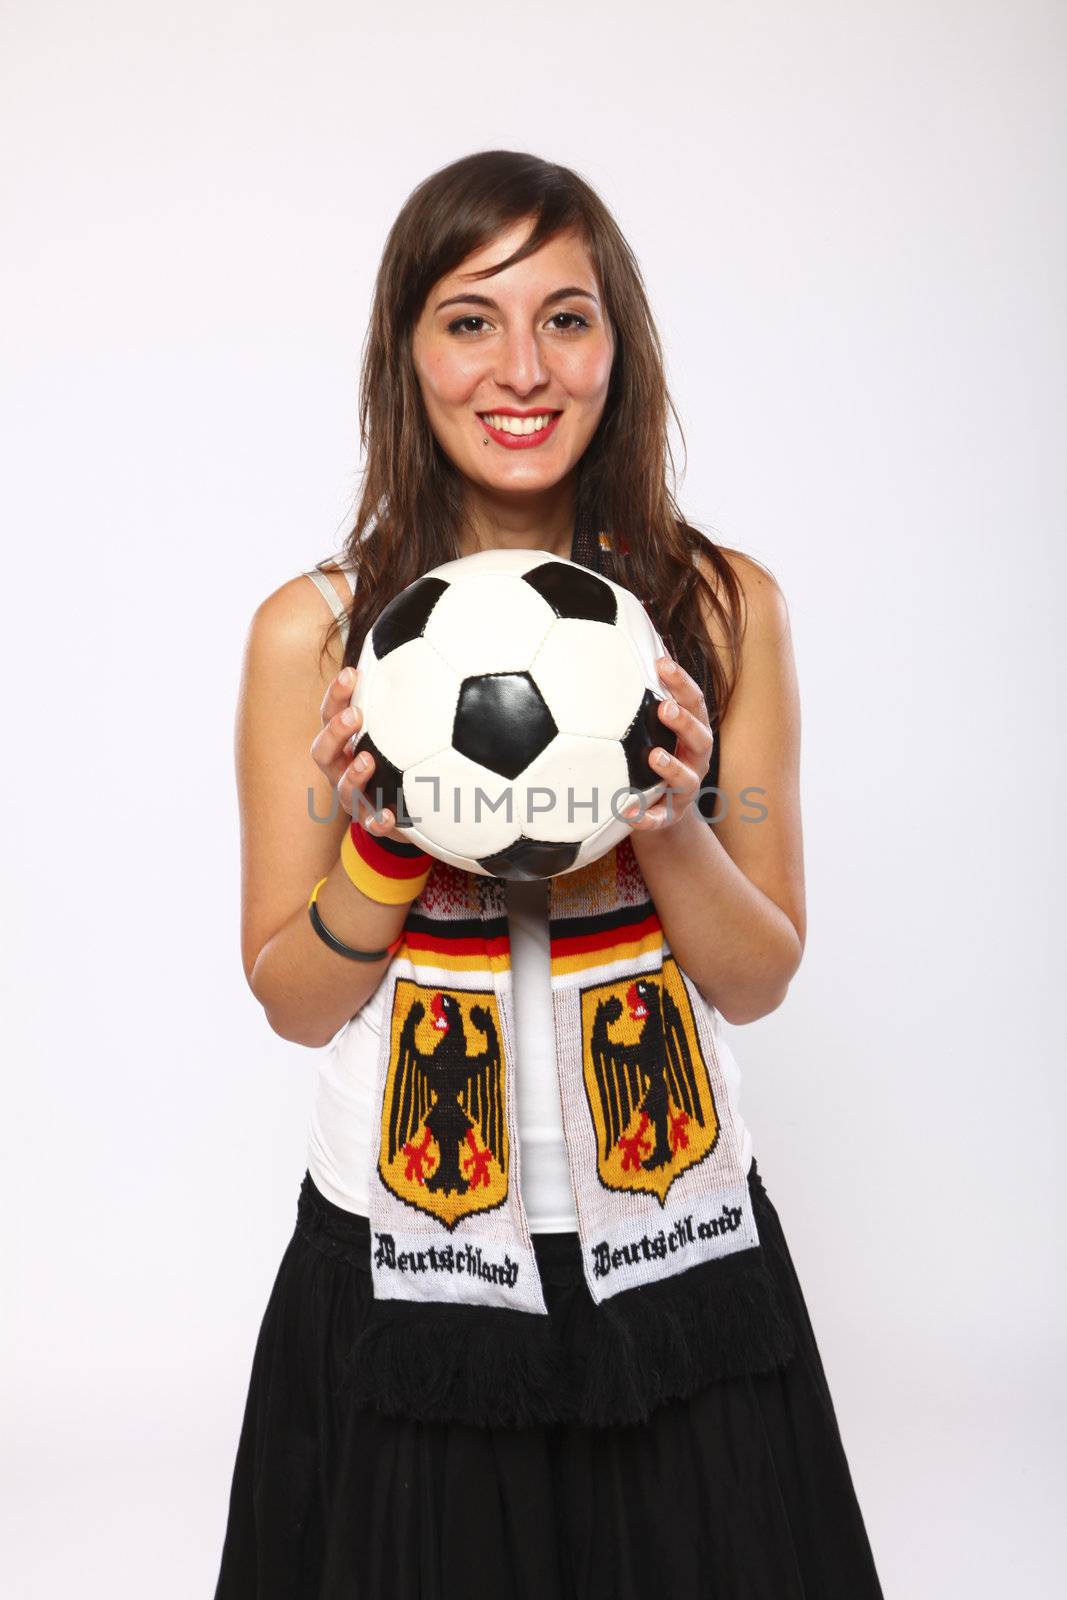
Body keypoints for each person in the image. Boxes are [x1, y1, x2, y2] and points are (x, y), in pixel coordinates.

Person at [214, 150, 884, 1598]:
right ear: (407, 349)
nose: (521, 367)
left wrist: (671, 817)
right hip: (405, 1256)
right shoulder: (313, 635)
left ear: (617, 346)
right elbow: (291, 996)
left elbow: (760, 978)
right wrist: (382, 849)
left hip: (677, 1250)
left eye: (566, 318)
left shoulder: (720, 606)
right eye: (470, 318)